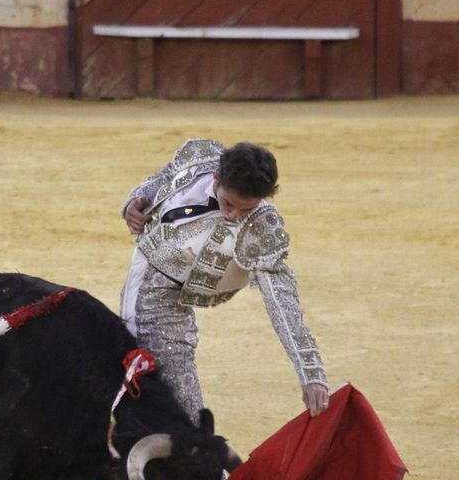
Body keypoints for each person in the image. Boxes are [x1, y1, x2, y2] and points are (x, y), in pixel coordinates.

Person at [120, 139, 330, 424]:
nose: (233, 216)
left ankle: (208, 467)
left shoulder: (261, 229)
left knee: (181, 402)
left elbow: (282, 301)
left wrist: (311, 374)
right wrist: (137, 200)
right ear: (216, 177)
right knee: (126, 374)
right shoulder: (200, 157)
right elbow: (166, 176)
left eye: (246, 209)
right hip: (139, 273)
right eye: (229, 204)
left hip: (167, 302)